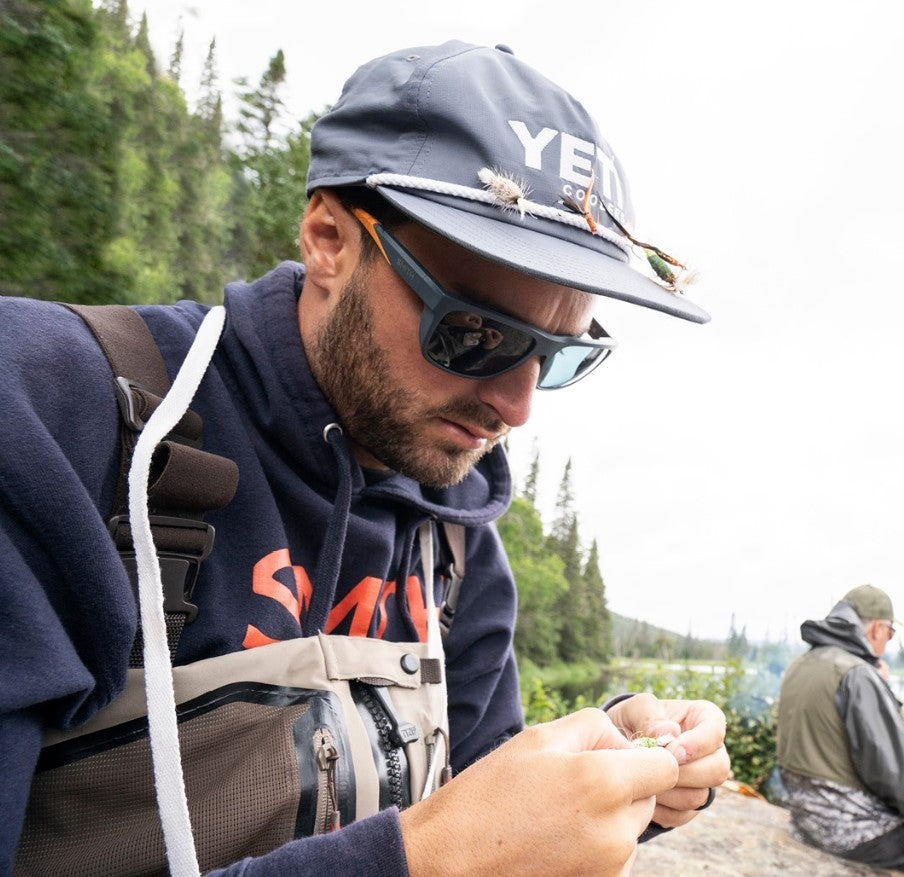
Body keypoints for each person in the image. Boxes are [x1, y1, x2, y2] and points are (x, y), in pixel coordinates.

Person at [0, 41, 729, 876]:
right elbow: (454, 842)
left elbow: (488, 797)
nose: (517, 406)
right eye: (476, 333)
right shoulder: (47, 412)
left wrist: (611, 767)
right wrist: (421, 858)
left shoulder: (455, 541)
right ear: (329, 240)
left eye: (559, 356)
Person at [777, 584, 904, 869]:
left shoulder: (801, 663)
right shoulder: (857, 674)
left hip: (805, 820)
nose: (890, 641)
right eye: (891, 633)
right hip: (851, 829)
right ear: (875, 631)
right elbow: (891, 773)